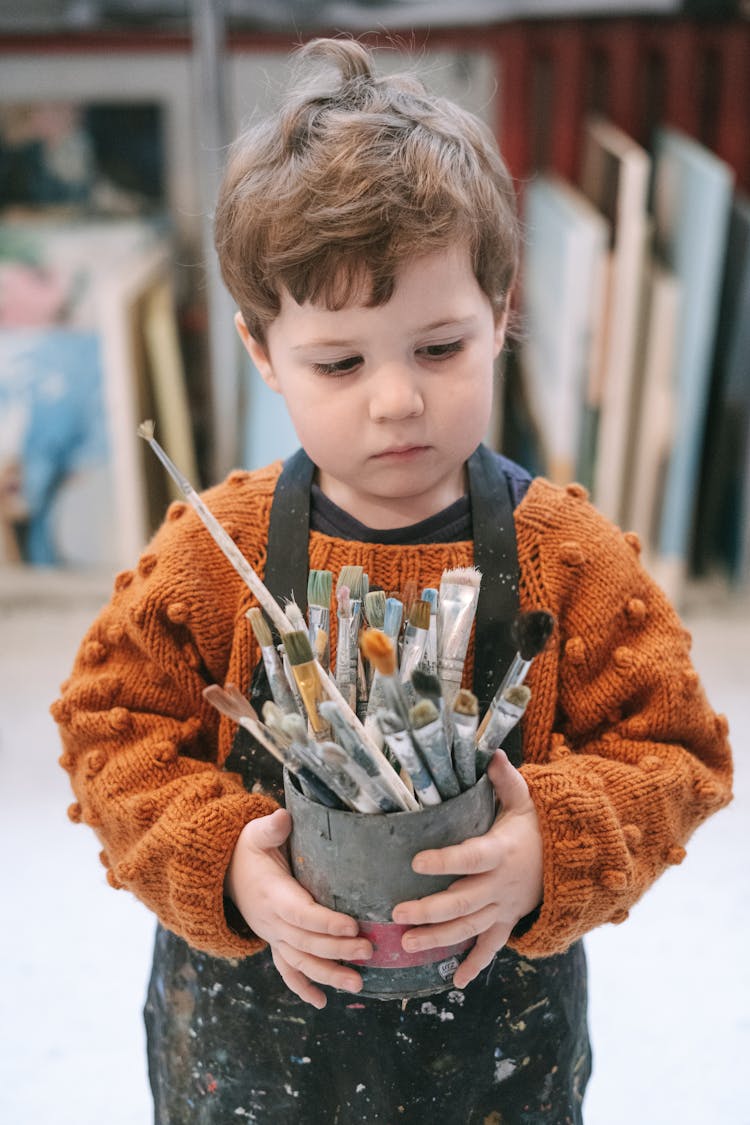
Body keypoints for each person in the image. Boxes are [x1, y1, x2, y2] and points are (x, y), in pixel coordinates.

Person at [53, 37, 733, 1124]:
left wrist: (547, 850)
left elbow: (678, 754)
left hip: (495, 1065)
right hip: (244, 1055)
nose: (396, 403)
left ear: (502, 315)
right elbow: (106, 733)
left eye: (439, 348)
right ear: (262, 352)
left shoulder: (568, 557)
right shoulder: (208, 553)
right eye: (340, 362)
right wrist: (225, 863)